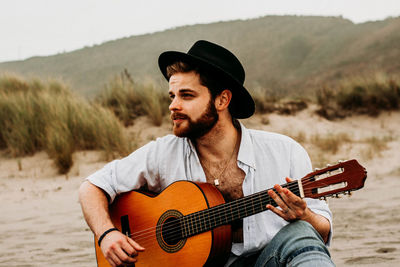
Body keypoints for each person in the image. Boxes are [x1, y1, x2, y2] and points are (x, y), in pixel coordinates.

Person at [79, 40, 334, 267]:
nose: (173, 105)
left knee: (301, 232)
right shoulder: (162, 153)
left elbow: (320, 234)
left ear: (222, 100)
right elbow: (91, 187)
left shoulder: (285, 151)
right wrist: (107, 234)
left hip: (266, 260)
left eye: (186, 95)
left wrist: (305, 215)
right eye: (172, 96)